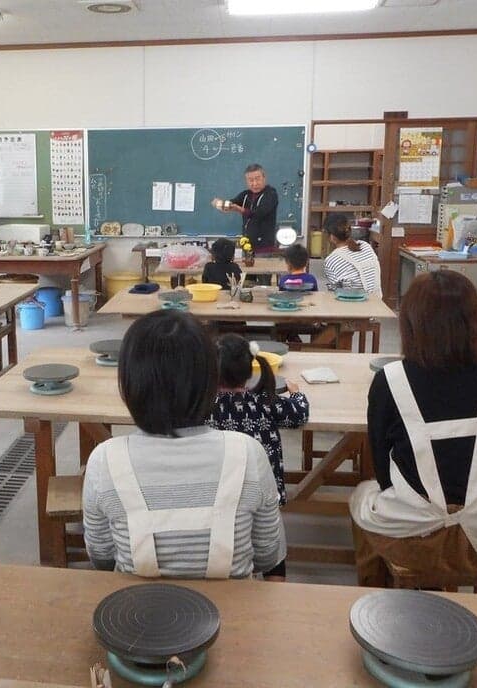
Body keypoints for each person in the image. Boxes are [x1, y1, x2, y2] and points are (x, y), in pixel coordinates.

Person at [83, 310, 286, 579]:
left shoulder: (104, 460)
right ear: (211, 382)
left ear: (128, 386)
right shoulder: (248, 453)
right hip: (234, 603)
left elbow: (101, 556)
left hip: (136, 604)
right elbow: (267, 555)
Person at [349, 271, 477, 587]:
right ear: (476, 323)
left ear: (412, 325)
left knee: (361, 495)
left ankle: (373, 591)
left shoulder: (390, 379)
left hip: (412, 536)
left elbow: (381, 467)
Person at [207, 334, 310, 581]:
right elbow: (299, 414)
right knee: (272, 540)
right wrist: (297, 394)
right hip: (264, 495)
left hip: (217, 496)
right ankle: (276, 585)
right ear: (249, 370)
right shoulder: (264, 401)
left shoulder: (202, 406)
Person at [212, 163, 278, 253]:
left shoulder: (271, 194)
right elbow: (231, 203)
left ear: (264, 178)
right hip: (247, 246)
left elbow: (259, 213)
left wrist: (240, 209)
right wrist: (220, 204)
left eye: (257, 179)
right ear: (246, 181)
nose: (254, 183)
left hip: (264, 248)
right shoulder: (246, 195)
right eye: (250, 180)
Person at [321, 213, 382, 296]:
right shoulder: (366, 246)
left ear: (332, 237)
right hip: (377, 300)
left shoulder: (331, 260)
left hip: (352, 303)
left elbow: (336, 293)